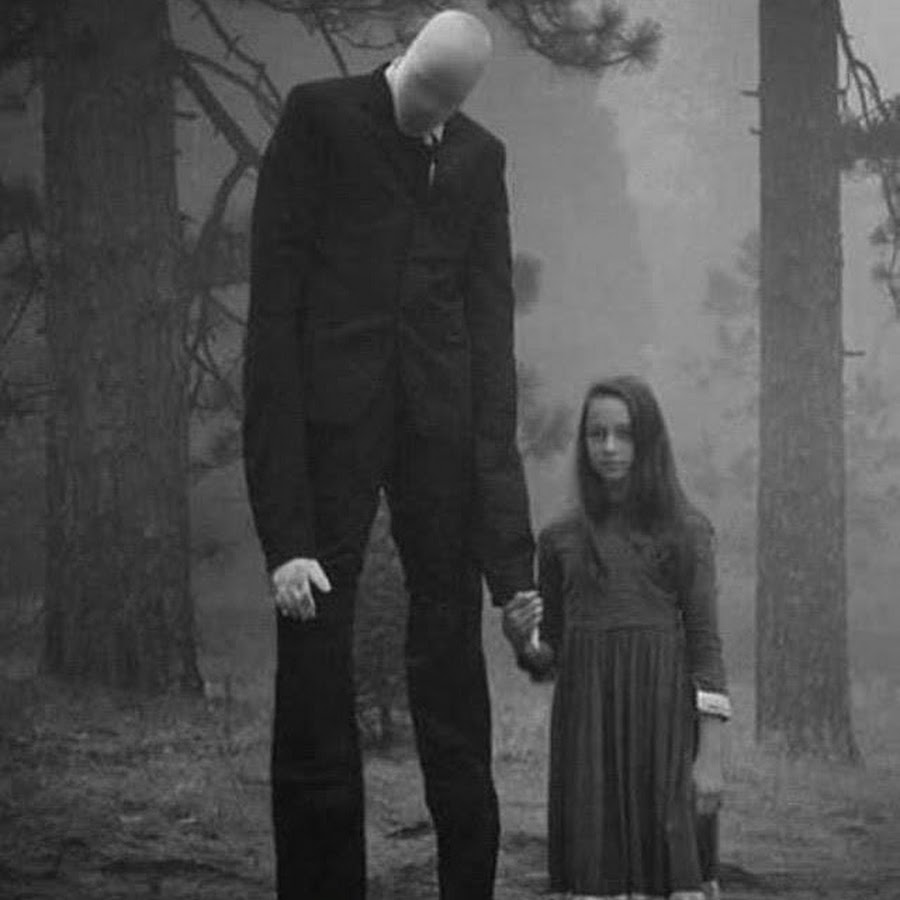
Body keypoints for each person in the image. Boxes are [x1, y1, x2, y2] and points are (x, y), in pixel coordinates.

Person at [242, 10, 537, 900]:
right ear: (402, 56)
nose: (427, 114)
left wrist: (512, 570)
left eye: (446, 104)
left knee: (450, 651)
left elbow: (492, 356)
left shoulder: (481, 160)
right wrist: (286, 537)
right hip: (328, 431)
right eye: (420, 90)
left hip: (441, 440)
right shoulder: (319, 117)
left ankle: (468, 885)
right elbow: (273, 328)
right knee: (311, 648)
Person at [503, 375, 732, 900]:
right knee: (595, 867)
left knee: (667, 865)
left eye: (624, 434)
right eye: (596, 434)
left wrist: (710, 759)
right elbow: (549, 658)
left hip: (665, 729)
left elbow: (706, 647)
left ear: (648, 440)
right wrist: (522, 640)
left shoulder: (687, 531)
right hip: (586, 731)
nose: (608, 447)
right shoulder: (559, 539)